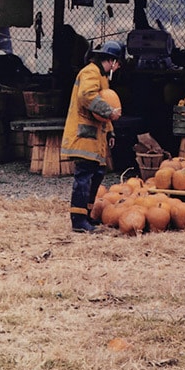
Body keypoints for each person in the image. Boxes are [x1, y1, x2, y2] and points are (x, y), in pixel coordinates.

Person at [62, 39, 123, 233]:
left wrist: (110, 129)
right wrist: (108, 112)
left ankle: (86, 214)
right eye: (119, 62)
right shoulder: (90, 72)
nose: (119, 67)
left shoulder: (102, 76)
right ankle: (78, 220)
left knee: (96, 173)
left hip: (97, 135)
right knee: (84, 175)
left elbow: (105, 102)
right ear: (112, 61)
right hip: (84, 134)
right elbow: (87, 96)